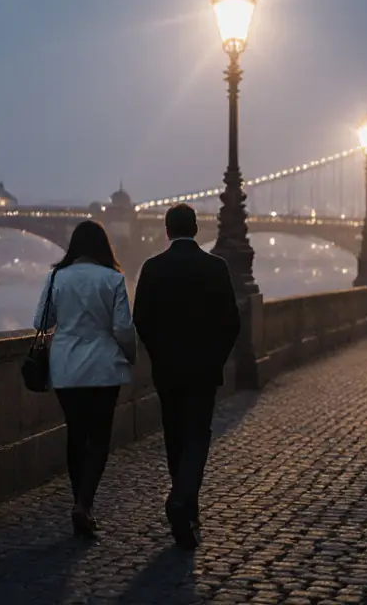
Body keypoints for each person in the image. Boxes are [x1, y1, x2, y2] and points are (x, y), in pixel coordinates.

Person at [132, 203, 240, 549]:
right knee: (198, 435)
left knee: (175, 436)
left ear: (167, 230)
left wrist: (159, 355)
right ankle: (182, 502)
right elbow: (232, 323)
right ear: (195, 229)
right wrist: (215, 359)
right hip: (204, 370)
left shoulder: (152, 268)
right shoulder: (216, 267)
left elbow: (142, 321)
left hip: (167, 369)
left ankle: (186, 505)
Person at [33, 219, 136, 538]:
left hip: (65, 367)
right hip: (104, 367)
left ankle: (80, 501)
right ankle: (84, 504)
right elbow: (121, 327)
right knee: (100, 438)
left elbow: (41, 321)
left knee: (76, 434)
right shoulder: (113, 279)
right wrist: (130, 355)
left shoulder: (56, 277)